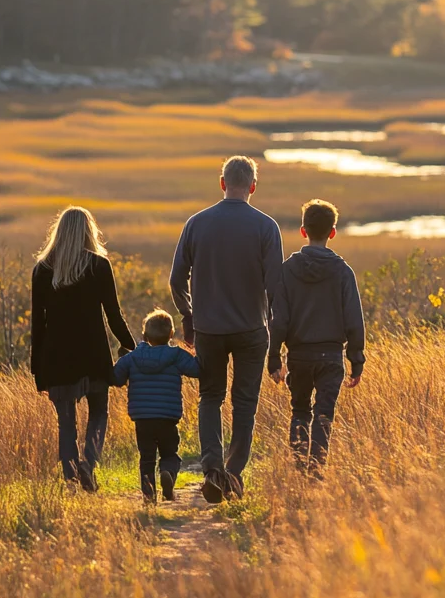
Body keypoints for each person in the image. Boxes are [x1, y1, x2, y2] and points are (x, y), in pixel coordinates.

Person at [170, 156, 284, 504]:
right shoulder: (266, 227)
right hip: (252, 328)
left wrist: (188, 317)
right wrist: (278, 338)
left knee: (211, 397)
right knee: (245, 402)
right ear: (252, 186)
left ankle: (212, 470)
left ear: (222, 183)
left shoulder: (196, 223)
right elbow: (275, 288)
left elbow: (177, 279)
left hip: (209, 329)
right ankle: (232, 473)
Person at [31, 206, 136, 492]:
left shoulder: (42, 269)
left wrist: (37, 370)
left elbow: (37, 325)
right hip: (93, 355)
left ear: (59, 231)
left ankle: (71, 479)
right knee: (99, 413)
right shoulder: (99, 266)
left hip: (56, 357)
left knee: (66, 423)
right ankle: (89, 463)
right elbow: (114, 315)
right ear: (89, 231)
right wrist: (132, 347)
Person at [268, 199, 366, 474]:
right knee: (324, 414)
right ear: (332, 232)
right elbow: (354, 321)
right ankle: (316, 471)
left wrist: (274, 357)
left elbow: (279, 320)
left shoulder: (287, 271)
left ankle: (300, 468)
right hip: (332, 358)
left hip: (298, 357)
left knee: (299, 411)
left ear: (303, 231)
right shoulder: (343, 272)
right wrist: (356, 360)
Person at [113, 309, 200, 504]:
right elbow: (196, 370)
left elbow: (116, 378)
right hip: (168, 417)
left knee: (146, 458)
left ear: (144, 335)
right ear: (171, 334)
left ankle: (149, 496)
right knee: (170, 453)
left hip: (142, 418)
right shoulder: (176, 356)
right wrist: (199, 351)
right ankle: (168, 473)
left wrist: (122, 360)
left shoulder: (133, 358)